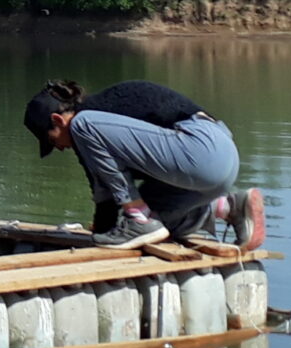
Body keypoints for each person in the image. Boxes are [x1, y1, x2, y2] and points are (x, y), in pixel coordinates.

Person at [24, 78, 264, 251]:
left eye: (51, 139)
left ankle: (138, 218)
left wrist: (102, 233)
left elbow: (104, 194)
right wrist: (104, 232)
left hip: (202, 147)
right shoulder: (101, 132)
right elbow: (106, 192)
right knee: (162, 226)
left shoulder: (86, 124)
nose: (58, 148)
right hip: (219, 159)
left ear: (57, 119)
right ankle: (227, 206)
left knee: (83, 126)